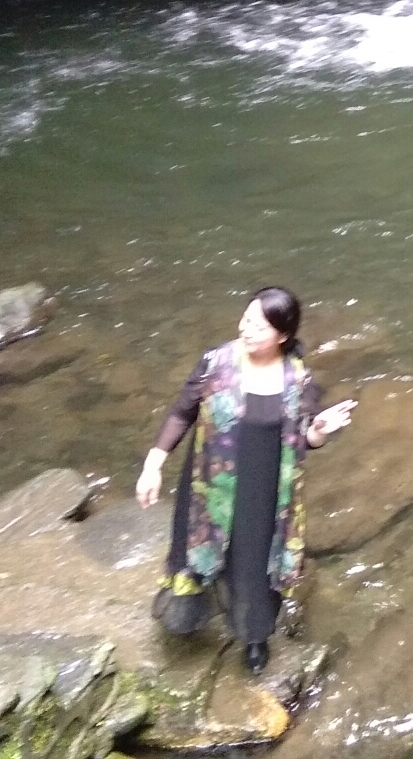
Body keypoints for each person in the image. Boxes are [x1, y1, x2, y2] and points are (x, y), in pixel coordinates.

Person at [136, 287, 356, 673]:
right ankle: (189, 614)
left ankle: (254, 637)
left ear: (282, 336)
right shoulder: (216, 363)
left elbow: (305, 439)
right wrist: (153, 465)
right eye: (246, 319)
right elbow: (182, 413)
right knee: (197, 547)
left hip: (264, 489)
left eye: (259, 325)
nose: (246, 329)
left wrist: (320, 429)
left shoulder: (297, 379)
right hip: (210, 482)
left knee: (253, 563)